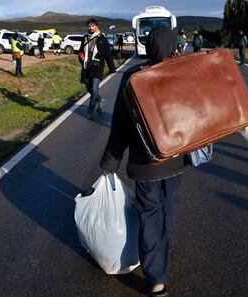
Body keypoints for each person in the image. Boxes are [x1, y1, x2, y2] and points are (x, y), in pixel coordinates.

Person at [100, 26, 189, 297]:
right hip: (175, 158)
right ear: (174, 46)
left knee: (149, 213)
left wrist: (110, 162)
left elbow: (121, 126)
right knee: (169, 205)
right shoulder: (181, 73)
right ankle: (166, 246)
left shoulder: (134, 77)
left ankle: (157, 279)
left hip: (145, 161)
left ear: (148, 45)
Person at [78, 18, 116, 119]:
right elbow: (80, 51)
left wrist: (112, 69)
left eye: (93, 26)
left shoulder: (102, 39)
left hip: (97, 67)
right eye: (89, 26)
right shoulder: (85, 38)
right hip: (86, 67)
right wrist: (81, 57)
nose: (91, 28)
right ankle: (100, 100)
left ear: (97, 27)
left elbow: (108, 54)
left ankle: (90, 111)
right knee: (89, 88)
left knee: (94, 89)